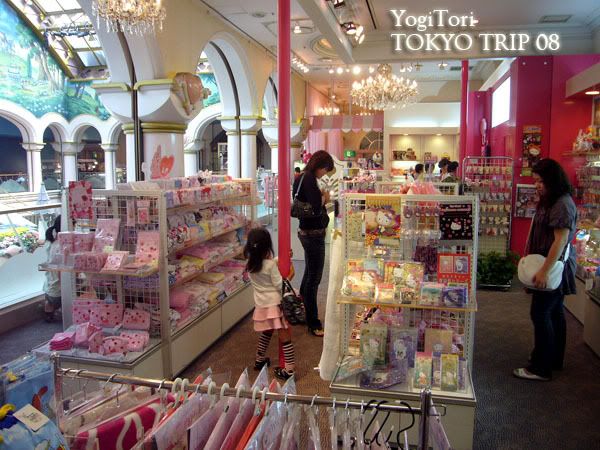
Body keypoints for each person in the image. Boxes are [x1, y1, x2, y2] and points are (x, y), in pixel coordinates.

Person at [513, 159, 577, 382]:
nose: (537, 185)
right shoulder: (553, 201)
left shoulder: (562, 204)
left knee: (540, 313)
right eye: (535, 181)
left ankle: (540, 367)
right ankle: (553, 358)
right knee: (554, 312)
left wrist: (544, 271)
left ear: (552, 180)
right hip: (550, 264)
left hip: (552, 267)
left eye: (540, 181)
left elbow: (560, 241)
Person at [292, 150, 334, 336]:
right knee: (314, 279)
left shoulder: (302, 177)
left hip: (308, 232)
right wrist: (325, 196)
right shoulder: (308, 178)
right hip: (313, 234)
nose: (324, 173)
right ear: (320, 165)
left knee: (310, 273)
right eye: (325, 169)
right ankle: (313, 322)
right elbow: (316, 206)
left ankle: (303, 310)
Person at [244, 227, 296, 380]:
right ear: (267, 246)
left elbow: (265, 265)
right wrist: (289, 276)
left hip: (262, 306)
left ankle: (259, 359)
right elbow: (279, 284)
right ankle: (289, 370)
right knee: (285, 337)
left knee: (266, 332)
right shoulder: (271, 266)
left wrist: (281, 258)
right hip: (276, 305)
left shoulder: (250, 265)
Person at [43, 215, 62, 322]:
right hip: (58, 291)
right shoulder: (61, 244)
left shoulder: (50, 241)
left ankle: (48, 311)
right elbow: (61, 270)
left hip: (48, 287)